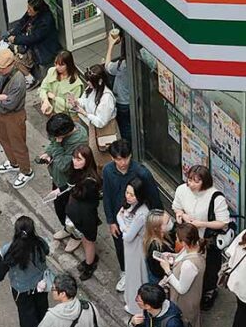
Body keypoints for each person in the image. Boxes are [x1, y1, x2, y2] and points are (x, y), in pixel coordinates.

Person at [102, 139, 162, 291]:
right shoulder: (108, 171)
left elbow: (155, 200)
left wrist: (155, 224)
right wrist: (111, 221)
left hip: (140, 219)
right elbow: (107, 196)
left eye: (126, 158)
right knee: (120, 246)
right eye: (118, 159)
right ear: (112, 158)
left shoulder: (142, 173)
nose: (122, 163)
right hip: (120, 217)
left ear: (130, 156)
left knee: (141, 249)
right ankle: (125, 272)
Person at [172, 163, 231, 310]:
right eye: (189, 180)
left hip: (207, 240)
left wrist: (202, 224)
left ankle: (209, 291)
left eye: (196, 181)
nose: (191, 184)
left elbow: (223, 222)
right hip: (188, 238)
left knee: (209, 267)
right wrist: (181, 215)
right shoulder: (182, 190)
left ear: (205, 182)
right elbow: (176, 207)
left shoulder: (216, 197)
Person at [156, 222, 206, 327]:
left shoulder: (190, 264)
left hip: (185, 300)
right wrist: (171, 256)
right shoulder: (195, 247)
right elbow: (181, 256)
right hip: (192, 297)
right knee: (193, 324)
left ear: (184, 242)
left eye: (178, 239)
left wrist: (167, 270)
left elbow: (182, 288)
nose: (176, 241)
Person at [0, 217, 51, 327]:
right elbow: (47, 251)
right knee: (42, 309)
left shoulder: (8, 250)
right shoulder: (40, 243)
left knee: (26, 315)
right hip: (41, 285)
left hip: (21, 289)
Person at [0, 47, 32, 189]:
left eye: (2, 68)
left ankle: (26, 171)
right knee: (3, 139)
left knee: (18, 144)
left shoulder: (19, 80)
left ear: (11, 64)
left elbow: (10, 105)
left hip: (14, 116)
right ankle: (13, 163)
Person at [0, 0, 60, 82]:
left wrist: (16, 40)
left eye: (30, 9)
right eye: (28, 8)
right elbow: (21, 23)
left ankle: (30, 79)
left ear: (37, 10)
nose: (28, 11)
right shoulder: (31, 13)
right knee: (3, 42)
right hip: (29, 41)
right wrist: (13, 35)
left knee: (14, 59)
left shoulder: (45, 22)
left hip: (41, 48)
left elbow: (34, 38)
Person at [39, 112, 88, 235]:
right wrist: (48, 153)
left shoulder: (78, 143)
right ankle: (67, 229)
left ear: (63, 134)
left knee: (68, 210)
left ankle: (75, 235)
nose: (54, 139)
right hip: (58, 179)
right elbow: (53, 143)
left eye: (56, 137)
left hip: (69, 183)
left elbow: (63, 165)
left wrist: (57, 144)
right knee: (59, 207)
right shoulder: (64, 132)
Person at [65, 145, 101, 277]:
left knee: (88, 240)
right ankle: (89, 260)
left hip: (86, 217)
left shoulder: (91, 182)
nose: (75, 161)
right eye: (74, 158)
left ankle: (90, 264)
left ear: (87, 160)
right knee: (85, 239)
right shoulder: (77, 172)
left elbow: (89, 200)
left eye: (79, 159)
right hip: (77, 215)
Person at [118, 177, 150, 317]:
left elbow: (128, 236)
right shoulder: (130, 205)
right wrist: (125, 227)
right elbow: (118, 216)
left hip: (136, 247)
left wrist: (124, 228)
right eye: (127, 193)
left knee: (136, 276)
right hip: (130, 246)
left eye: (132, 194)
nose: (128, 196)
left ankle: (136, 307)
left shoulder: (142, 213)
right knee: (131, 275)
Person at [76, 65, 118, 169]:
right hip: (93, 129)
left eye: (90, 81)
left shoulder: (107, 97)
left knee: (106, 160)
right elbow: (85, 101)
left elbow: (101, 122)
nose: (88, 83)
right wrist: (76, 102)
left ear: (99, 81)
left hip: (105, 130)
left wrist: (85, 114)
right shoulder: (91, 89)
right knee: (97, 158)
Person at [104, 28, 131, 143]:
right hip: (134, 98)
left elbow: (108, 67)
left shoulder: (123, 65)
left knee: (124, 126)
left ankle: (128, 145)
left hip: (123, 101)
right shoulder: (142, 56)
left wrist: (111, 45)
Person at [223, 227, 246, 327]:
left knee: (241, 310)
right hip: (243, 287)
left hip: (237, 283)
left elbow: (229, 252)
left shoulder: (244, 233)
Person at [38, 50, 83, 117]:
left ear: (69, 65)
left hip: (65, 115)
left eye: (61, 65)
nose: (57, 67)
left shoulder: (76, 84)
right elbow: (43, 88)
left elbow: (72, 105)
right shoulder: (52, 71)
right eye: (56, 64)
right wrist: (45, 100)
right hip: (50, 110)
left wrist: (54, 98)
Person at [143, 208, 174, 282]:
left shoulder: (163, 234)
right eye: (167, 222)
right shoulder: (156, 247)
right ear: (157, 228)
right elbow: (159, 270)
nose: (170, 222)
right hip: (160, 278)